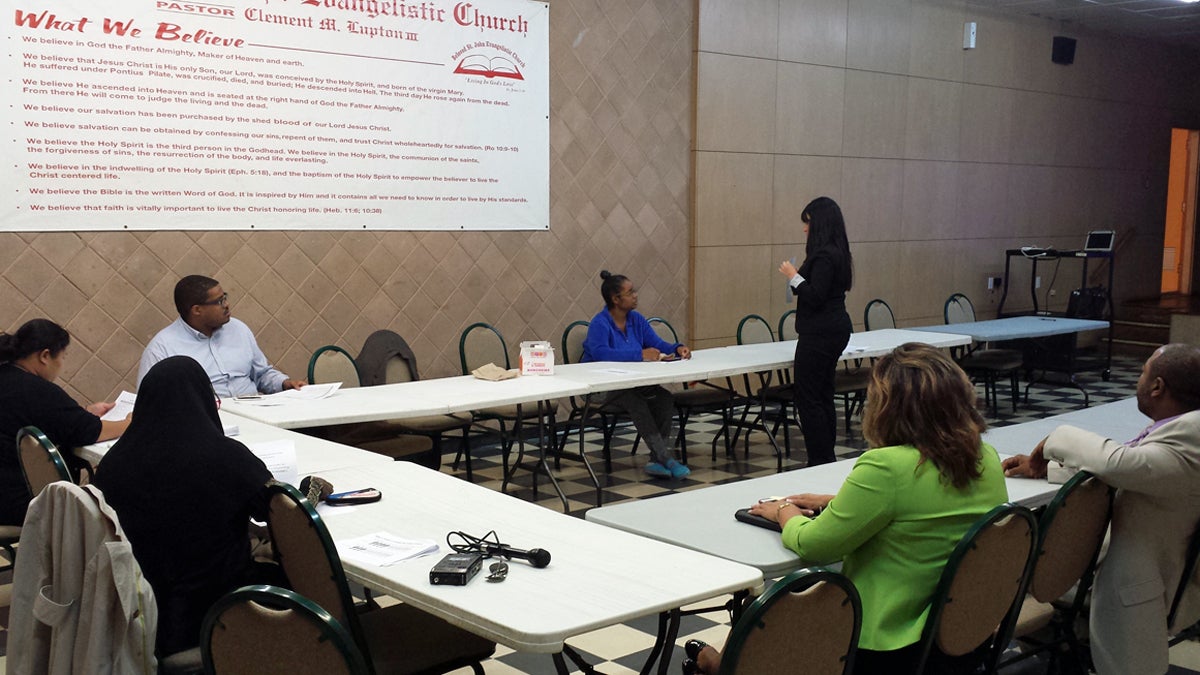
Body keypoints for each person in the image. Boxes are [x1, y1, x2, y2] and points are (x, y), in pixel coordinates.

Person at [685, 343, 1008, 675]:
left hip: (885, 648)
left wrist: (783, 510)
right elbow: (921, 505)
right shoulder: (987, 459)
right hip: (961, 637)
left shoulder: (885, 468)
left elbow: (815, 545)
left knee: (768, 604)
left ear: (889, 407)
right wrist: (835, 502)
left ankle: (724, 667)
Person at [1002, 343, 1200, 675]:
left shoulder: (1192, 432)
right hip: (1127, 567)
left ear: (1157, 386)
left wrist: (1055, 437)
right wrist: (1047, 470)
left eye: (1141, 373)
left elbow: (1122, 463)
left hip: (1138, 581)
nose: (1138, 380)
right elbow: (1144, 475)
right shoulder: (1177, 432)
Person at [94, 356, 281, 656]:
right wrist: (311, 490)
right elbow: (278, 514)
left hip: (138, 617)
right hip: (221, 611)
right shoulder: (225, 456)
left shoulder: (111, 466)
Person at [0, 318, 130, 526]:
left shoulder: (7, 375)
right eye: (62, 357)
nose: (61, 364)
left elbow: (56, 419)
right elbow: (90, 431)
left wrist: (87, 411)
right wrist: (128, 422)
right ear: (45, 356)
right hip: (20, 501)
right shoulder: (37, 390)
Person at [581, 270, 693, 479]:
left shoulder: (637, 319)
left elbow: (657, 343)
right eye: (630, 292)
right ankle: (664, 458)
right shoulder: (600, 323)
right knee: (636, 401)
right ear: (616, 299)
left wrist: (677, 348)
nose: (635, 295)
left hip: (631, 384)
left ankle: (655, 459)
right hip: (600, 388)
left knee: (664, 398)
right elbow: (600, 353)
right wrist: (639, 354)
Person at [778, 196, 853, 466]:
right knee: (823, 394)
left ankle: (819, 459)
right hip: (834, 328)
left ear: (818, 223)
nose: (804, 229)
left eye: (808, 222)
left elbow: (815, 295)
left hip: (820, 333)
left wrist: (793, 276)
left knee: (809, 398)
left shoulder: (823, 255)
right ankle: (826, 457)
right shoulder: (839, 251)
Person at [138, 275, 305, 397]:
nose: (226, 305)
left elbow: (261, 375)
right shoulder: (162, 348)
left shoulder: (239, 329)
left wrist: (284, 383)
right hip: (205, 425)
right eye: (218, 301)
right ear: (197, 310)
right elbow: (150, 401)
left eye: (225, 297)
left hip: (257, 412)